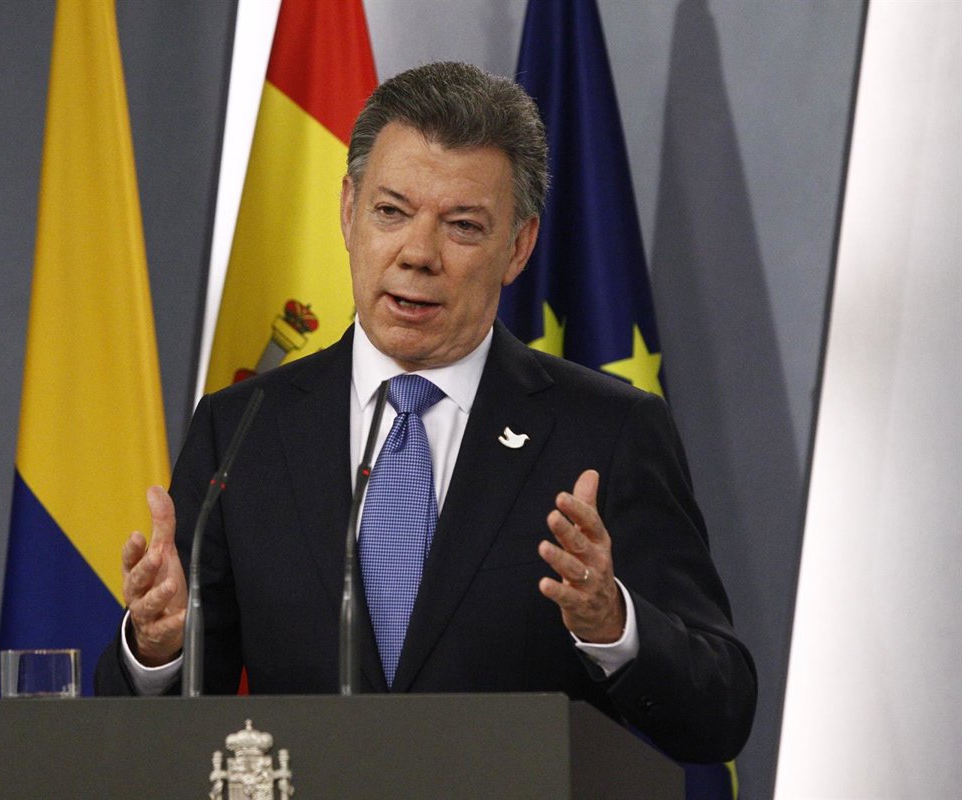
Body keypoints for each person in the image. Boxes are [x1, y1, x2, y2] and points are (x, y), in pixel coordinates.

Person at [95, 62, 756, 764]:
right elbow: (150, 740)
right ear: (348, 211)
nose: (417, 254)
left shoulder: (607, 432)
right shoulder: (243, 429)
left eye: (463, 226)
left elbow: (720, 710)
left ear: (518, 247)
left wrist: (612, 623)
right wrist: (157, 649)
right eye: (391, 212)